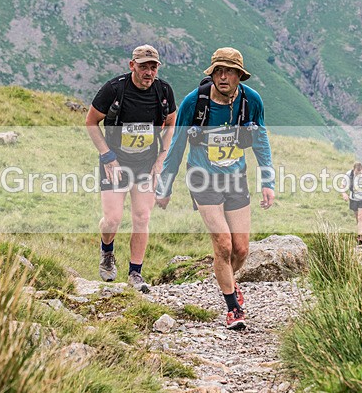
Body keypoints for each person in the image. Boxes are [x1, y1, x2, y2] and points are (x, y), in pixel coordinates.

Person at [156, 47, 275, 330]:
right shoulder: (193, 103)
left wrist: (267, 182)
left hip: (236, 179)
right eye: (218, 71)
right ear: (212, 74)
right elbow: (177, 146)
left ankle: (227, 282)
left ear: (239, 76)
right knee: (223, 244)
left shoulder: (251, 101)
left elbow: (261, 141)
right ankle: (233, 307)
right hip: (202, 179)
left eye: (229, 72)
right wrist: (166, 185)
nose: (223, 77)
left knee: (242, 249)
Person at [85, 45, 177, 293]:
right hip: (115, 162)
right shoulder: (114, 89)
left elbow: (171, 123)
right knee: (113, 219)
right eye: (143, 66)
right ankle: (107, 252)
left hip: (146, 163)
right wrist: (107, 156)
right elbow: (91, 122)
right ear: (132, 65)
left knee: (142, 217)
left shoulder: (164, 91)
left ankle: (135, 273)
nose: (149, 72)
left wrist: (162, 158)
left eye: (153, 67)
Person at [342, 162, 362, 245]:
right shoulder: (349, 174)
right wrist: (344, 193)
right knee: (357, 216)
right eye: (357, 173)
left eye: (360, 173)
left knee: (360, 217)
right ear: (354, 170)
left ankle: (359, 237)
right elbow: (343, 185)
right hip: (353, 198)